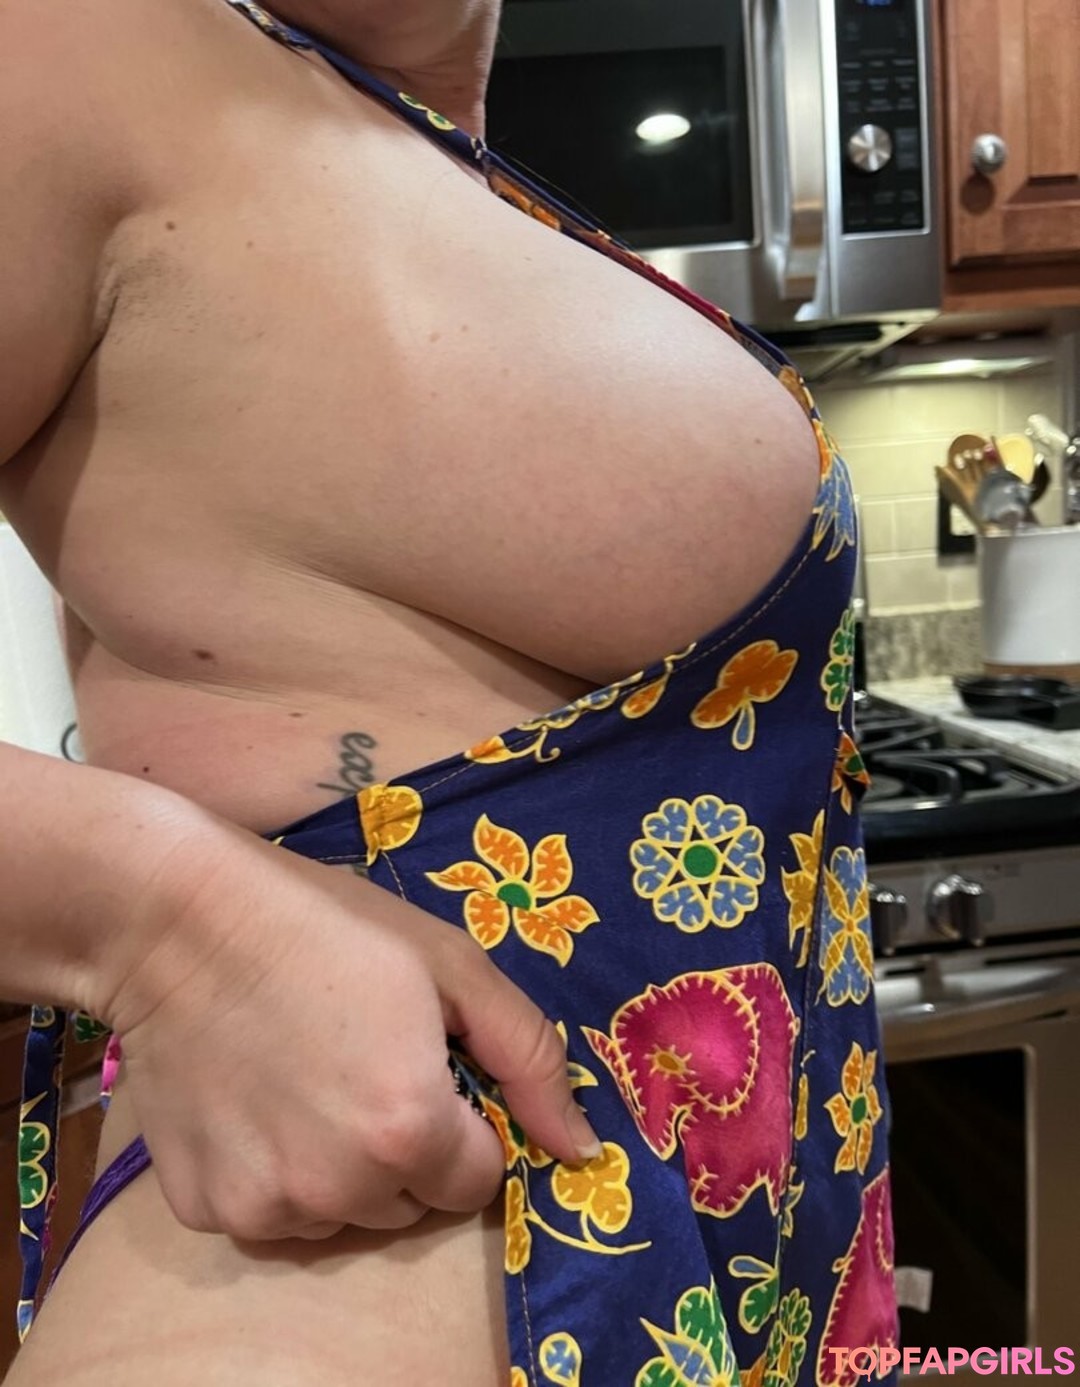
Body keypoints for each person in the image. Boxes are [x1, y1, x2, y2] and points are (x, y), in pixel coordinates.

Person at [0, 0, 899, 1381]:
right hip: (365, 1263)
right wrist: (168, 927)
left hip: (719, 1255)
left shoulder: (401, 135)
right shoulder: (75, 51)